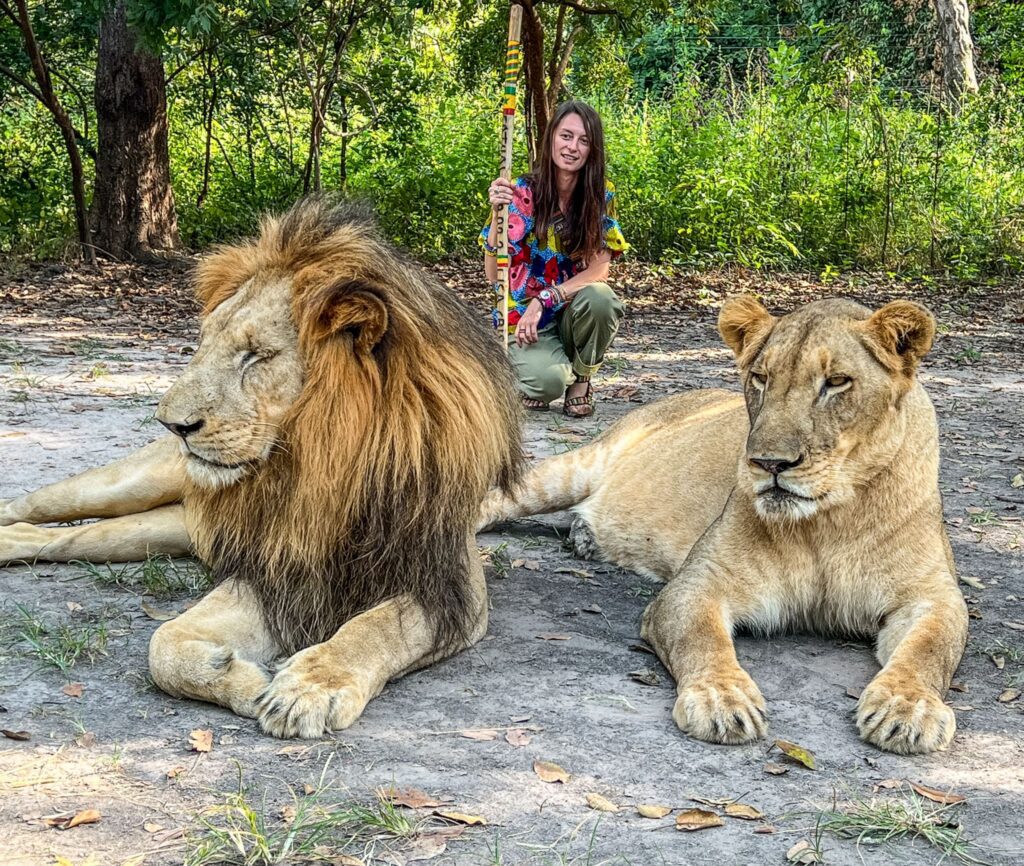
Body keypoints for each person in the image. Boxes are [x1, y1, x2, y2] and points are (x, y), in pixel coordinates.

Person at [482, 100, 628, 417]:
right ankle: (547, 371)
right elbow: (493, 274)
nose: (572, 147)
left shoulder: (601, 195)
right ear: (551, 139)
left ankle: (582, 380)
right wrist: (496, 215)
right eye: (566, 136)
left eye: (584, 140)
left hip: (568, 312)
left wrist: (546, 298)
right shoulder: (521, 191)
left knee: (602, 300)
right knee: (547, 382)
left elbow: (599, 271)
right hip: (524, 319)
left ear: (593, 149)